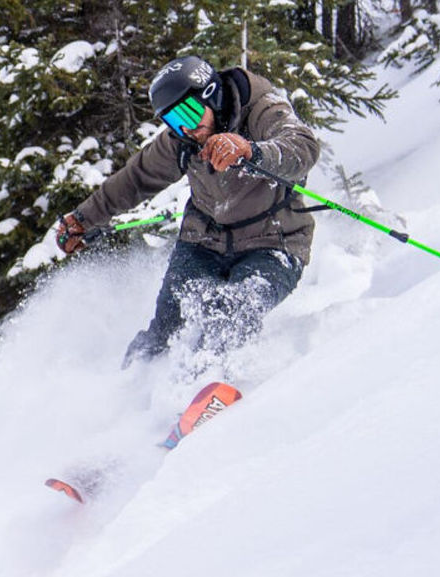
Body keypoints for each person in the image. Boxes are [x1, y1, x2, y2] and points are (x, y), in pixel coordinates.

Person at [55, 55, 321, 367]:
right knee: (165, 330)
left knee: (232, 315)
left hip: (275, 242)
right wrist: (83, 219)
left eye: (190, 112)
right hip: (204, 242)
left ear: (211, 95)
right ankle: (129, 386)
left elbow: (302, 146)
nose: (187, 128)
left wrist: (252, 150)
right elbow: (135, 178)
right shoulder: (185, 139)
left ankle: (207, 391)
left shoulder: (263, 107)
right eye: (173, 121)